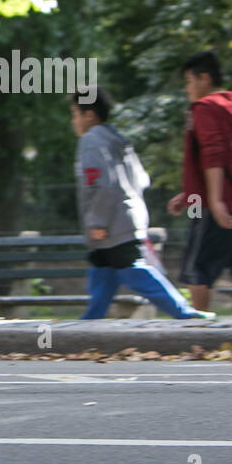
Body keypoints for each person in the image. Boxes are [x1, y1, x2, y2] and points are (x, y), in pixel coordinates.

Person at [71, 91, 208, 320]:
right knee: (102, 273)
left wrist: (97, 221)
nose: (73, 121)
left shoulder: (91, 141)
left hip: (111, 224)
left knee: (134, 271)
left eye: (75, 114)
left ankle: (184, 312)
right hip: (128, 216)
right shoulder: (117, 138)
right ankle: (87, 324)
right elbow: (142, 179)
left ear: (90, 116)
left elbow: (100, 186)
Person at [165, 50, 232, 311]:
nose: (187, 88)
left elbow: (214, 155)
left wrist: (215, 200)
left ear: (205, 78)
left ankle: (199, 339)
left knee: (195, 270)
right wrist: (188, 194)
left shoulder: (204, 108)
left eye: (189, 81)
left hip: (214, 206)